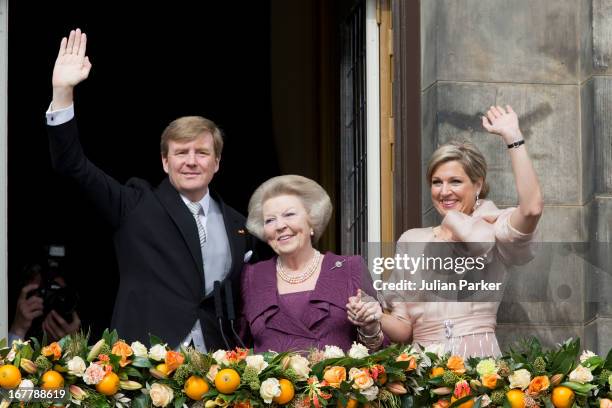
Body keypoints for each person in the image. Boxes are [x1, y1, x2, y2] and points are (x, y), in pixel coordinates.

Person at [46, 29, 253, 350]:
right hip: (144, 363)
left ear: (217, 162)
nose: (191, 161)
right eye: (181, 153)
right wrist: (62, 93)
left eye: (201, 153)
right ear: (165, 162)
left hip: (218, 369)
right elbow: (73, 165)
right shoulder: (135, 205)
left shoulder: (239, 224)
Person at [358, 105, 543, 357]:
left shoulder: (493, 226)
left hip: (479, 362)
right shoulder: (411, 240)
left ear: (477, 184)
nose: (444, 192)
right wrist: (375, 316)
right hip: (423, 369)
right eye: (437, 182)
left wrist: (513, 138)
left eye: (455, 181)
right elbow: (403, 328)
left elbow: (531, 209)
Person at [241, 175, 383, 352]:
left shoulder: (348, 268)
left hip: (336, 379)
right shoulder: (253, 276)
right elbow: (240, 347)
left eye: (289, 214)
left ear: (312, 221)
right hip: (273, 380)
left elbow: (379, 352)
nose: (279, 226)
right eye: (270, 220)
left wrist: (370, 327)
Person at [8, 263, 81, 344]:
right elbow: (8, 356)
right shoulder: (23, 322)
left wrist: (72, 342)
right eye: (46, 292)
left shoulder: (72, 324)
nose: (54, 299)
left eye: (59, 293)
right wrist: (18, 330)